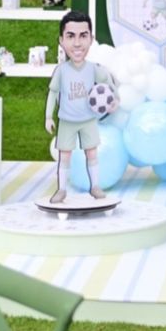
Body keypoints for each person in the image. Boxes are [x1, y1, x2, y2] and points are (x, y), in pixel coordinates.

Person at [44, 11, 114, 204]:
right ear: (61, 40)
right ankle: (61, 189)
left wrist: (113, 99)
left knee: (92, 153)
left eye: (83, 36)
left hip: (88, 120)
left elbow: (107, 80)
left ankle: (95, 186)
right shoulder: (61, 70)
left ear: (91, 39)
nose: (77, 43)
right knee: (64, 155)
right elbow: (52, 93)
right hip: (67, 120)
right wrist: (48, 117)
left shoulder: (93, 69)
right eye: (70, 36)